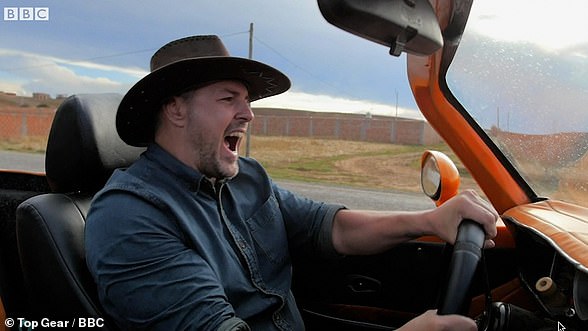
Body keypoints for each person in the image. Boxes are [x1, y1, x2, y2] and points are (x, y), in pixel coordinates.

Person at [85, 35, 499, 331]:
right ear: (175, 110)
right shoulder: (130, 216)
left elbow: (329, 226)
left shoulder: (246, 178)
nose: (248, 115)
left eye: (247, 101)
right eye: (229, 99)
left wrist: (429, 220)